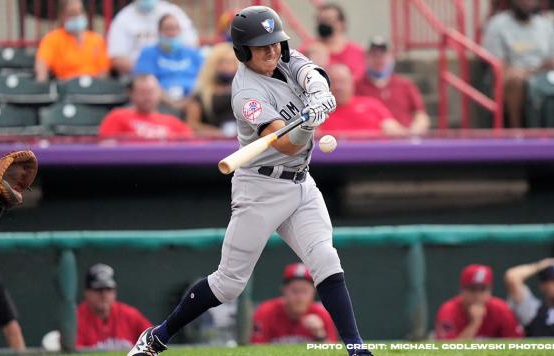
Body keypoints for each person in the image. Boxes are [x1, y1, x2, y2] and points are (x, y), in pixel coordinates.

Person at [128, 6, 373, 356]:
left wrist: (319, 91)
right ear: (243, 52)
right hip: (261, 188)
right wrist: (306, 126)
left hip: (301, 185)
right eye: (262, 47)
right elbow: (287, 145)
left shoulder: (283, 56)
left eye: (275, 43)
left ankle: (356, 349)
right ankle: (157, 338)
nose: (272, 51)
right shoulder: (246, 94)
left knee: (326, 259)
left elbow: (309, 70)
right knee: (228, 285)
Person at [482, 0, 554, 127]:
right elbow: (500, 68)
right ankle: (517, 132)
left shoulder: (547, 25)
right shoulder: (497, 24)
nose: (527, 3)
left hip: (543, 76)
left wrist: (548, 67)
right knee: (516, 79)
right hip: (512, 78)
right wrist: (530, 72)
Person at [355, 36, 430, 136]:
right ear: (366, 57)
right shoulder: (356, 85)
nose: (379, 60)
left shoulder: (405, 85)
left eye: (383, 55)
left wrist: (413, 131)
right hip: (371, 142)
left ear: (391, 57)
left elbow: (420, 114)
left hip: (402, 142)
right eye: (374, 55)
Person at [251, 263, 338, 344]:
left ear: (314, 292)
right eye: (295, 291)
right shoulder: (266, 311)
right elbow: (255, 348)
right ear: (284, 290)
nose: (300, 297)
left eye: (305, 291)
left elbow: (332, 351)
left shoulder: (322, 313)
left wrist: (320, 334)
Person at [133, 13, 203, 112]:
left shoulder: (193, 53)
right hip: (159, 103)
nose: (172, 33)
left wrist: (187, 101)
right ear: (159, 31)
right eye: (168, 29)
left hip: (191, 102)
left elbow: (203, 79)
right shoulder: (147, 54)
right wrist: (170, 102)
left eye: (175, 29)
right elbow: (144, 82)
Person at [107, 0, 198, 75]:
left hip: (179, 74)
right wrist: (148, 73)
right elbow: (117, 58)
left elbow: (192, 45)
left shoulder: (174, 12)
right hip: (139, 80)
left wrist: (171, 69)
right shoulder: (123, 18)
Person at [435, 264, 524, 340]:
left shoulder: (501, 309)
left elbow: (516, 343)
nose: (477, 295)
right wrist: (475, 323)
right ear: (461, 290)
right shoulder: (448, 311)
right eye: (472, 289)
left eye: (483, 289)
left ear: (490, 290)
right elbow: (445, 351)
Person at [77, 263, 152, 350]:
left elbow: (154, 342)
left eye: (108, 289)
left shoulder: (130, 315)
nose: (104, 295)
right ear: (86, 292)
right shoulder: (76, 319)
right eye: (98, 290)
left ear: (114, 292)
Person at [35, 0, 110, 81]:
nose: (77, 16)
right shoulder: (52, 39)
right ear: (61, 16)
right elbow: (41, 66)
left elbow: (104, 71)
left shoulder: (97, 40)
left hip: (94, 87)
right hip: (65, 89)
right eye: (72, 14)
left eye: (80, 12)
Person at [98, 74, 192, 139]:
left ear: (160, 92)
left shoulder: (174, 123)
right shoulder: (117, 117)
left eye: (151, 92)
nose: (147, 97)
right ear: (131, 94)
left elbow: (190, 148)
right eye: (142, 92)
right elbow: (106, 148)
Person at [505, 258, 554, 337]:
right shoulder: (534, 311)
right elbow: (512, 277)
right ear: (543, 286)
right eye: (553, 280)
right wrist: (540, 266)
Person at [320, 64, 396, 136]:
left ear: (352, 83)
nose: (338, 87)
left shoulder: (372, 105)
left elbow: (396, 131)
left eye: (343, 81)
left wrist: (392, 130)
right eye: (333, 82)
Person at [185, 43, 238, 137]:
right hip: (211, 143)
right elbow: (192, 125)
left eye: (231, 62)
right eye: (222, 62)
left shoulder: (244, 91)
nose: (227, 66)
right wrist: (219, 133)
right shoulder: (200, 94)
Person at [310, 3, 366, 81]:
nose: (325, 25)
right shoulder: (307, 50)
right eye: (321, 21)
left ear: (342, 23)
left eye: (329, 20)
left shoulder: (356, 51)